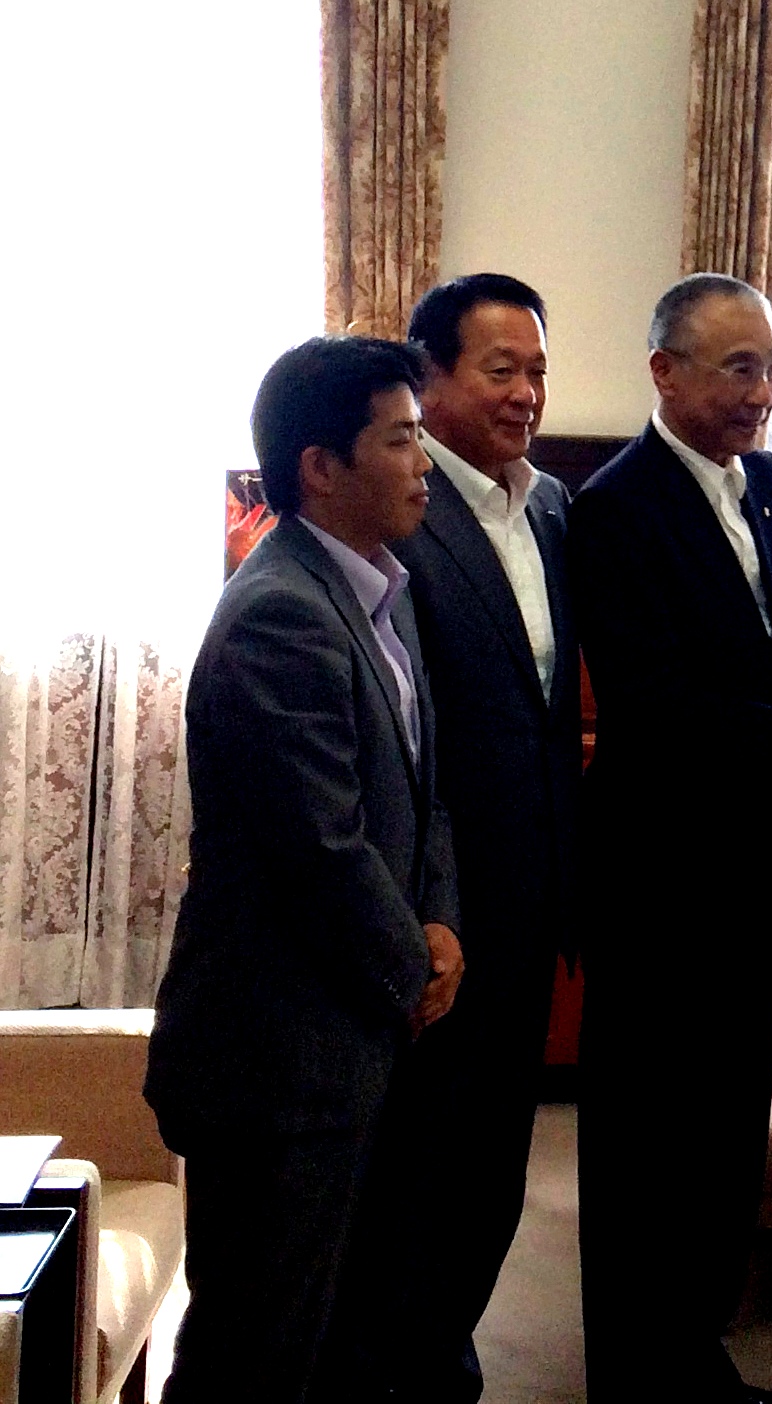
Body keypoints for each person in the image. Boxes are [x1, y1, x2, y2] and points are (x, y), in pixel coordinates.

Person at [566, 272, 772, 1404]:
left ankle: (696, 1365)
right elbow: (654, 702)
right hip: (657, 874)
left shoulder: (769, 483)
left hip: (752, 862)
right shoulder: (613, 507)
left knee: (720, 1140)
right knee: (645, 1145)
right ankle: (636, 1380)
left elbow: (763, 637)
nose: (761, 392)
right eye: (738, 368)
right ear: (664, 372)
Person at [145, 336, 463, 1404]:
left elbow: (422, 790)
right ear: (321, 466)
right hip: (277, 1058)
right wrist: (413, 967)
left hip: (350, 1036)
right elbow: (319, 846)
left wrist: (440, 919)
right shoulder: (280, 612)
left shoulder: (382, 590)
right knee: (251, 1355)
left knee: (325, 1342)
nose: (424, 462)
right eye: (400, 439)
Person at [324, 272, 578, 1402]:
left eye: (538, 372)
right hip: (436, 914)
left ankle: (442, 1360)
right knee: (413, 1170)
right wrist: (425, 910)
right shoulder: (400, 514)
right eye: (500, 370)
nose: (526, 393)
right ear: (429, 377)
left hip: (529, 905)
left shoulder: (551, 508)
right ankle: (396, 1372)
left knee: (490, 1172)